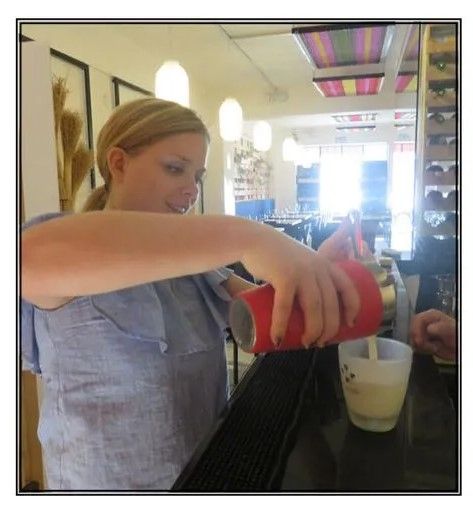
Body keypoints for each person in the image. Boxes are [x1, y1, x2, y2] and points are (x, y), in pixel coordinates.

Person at [21, 98, 360, 490]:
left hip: (203, 477)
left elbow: (268, 318)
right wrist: (252, 237)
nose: (191, 190)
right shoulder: (67, 246)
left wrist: (310, 275)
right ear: (118, 163)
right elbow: (27, 260)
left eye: (197, 176)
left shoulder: (194, 268)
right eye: (174, 169)